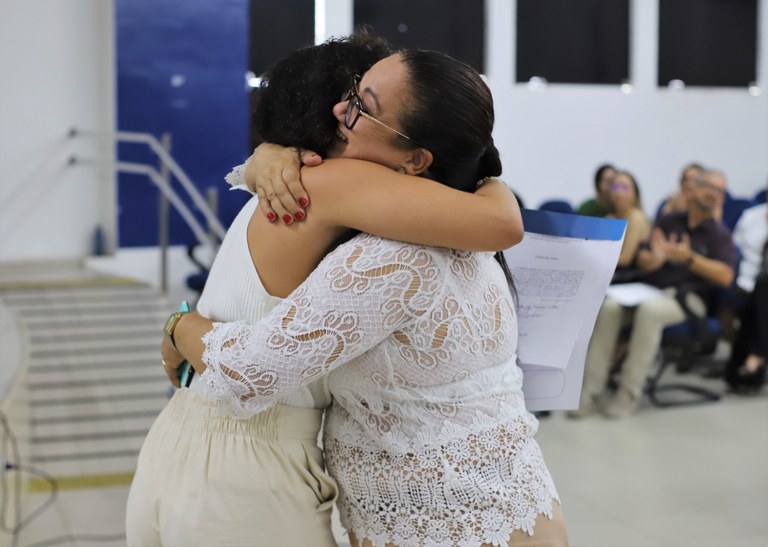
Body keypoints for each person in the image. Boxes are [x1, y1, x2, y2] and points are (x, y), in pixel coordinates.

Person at [125, 39, 532, 547]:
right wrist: (490, 179)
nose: (346, 111)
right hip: (251, 456)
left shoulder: (285, 183)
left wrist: (178, 325)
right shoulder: (331, 182)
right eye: (352, 97)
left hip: (177, 442)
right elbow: (501, 222)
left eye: (361, 105)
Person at [573, 168, 737, 418]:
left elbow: (726, 276)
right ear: (694, 189)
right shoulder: (671, 221)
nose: (714, 194)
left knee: (650, 312)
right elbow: (643, 257)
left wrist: (689, 258)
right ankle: (590, 391)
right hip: (651, 290)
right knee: (610, 308)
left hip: (687, 298)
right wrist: (654, 259)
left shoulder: (719, 234)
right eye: (709, 188)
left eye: (720, 191)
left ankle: (627, 394)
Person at [723, 192, 768, 393]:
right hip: (745, 278)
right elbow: (733, 247)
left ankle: (754, 357)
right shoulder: (751, 215)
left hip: (762, 282)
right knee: (755, 297)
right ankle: (756, 358)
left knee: (763, 286)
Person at [606, 170, 651, 282]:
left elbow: (626, 259)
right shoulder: (610, 217)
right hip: (616, 273)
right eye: (615, 187)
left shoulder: (636, 217)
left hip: (634, 278)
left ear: (635, 193)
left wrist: (598, 258)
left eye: (625, 188)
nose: (619, 192)